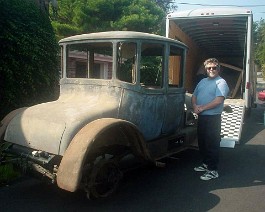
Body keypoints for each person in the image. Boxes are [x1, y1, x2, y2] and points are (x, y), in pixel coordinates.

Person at [192, 58, 229, 180]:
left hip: (213, 118)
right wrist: (195, 107)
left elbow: (218, 101)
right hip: (202, 117)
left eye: (214, 68)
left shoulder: (221, 83)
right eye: (209, 68)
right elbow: (194, 95)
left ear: (218, 69)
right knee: (202, 142)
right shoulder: (202, 81)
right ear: (206, 69)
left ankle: (213, 170)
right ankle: (206, 164)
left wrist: (202, 108)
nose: (211, 70)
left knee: (211, 143)